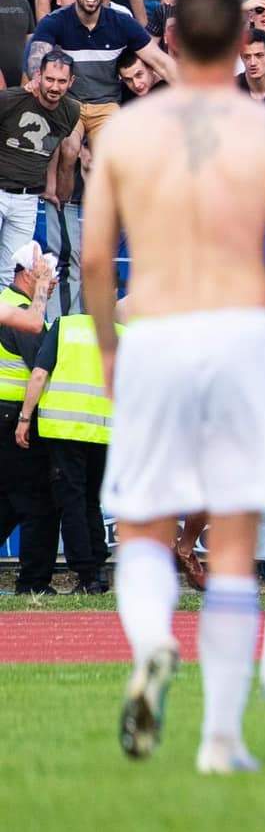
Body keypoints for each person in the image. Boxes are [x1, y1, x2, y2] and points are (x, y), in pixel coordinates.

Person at [84, 0, 265, 772]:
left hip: (153, 324)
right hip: (241, 331)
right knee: (232, 540)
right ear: (237, 43)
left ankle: (153, 643)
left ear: (170, 42)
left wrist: (110, 347)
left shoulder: (125, 133)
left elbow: (92, 258)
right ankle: (221, 742)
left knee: (146, 525)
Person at [17, 311, 113, 592]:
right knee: (91, 502)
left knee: (72, 502)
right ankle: (96, 571)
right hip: (104, 431)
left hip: (65, 430)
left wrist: (24, 418)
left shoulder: (66, 326)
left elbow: (38, 375)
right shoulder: (121, 333)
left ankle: (86, 575)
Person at [27, 0, 173, 144]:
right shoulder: (55, 21)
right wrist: (36, 78)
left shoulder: (122, 22)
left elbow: (161, 61)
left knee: (110, 148)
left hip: (107, 104)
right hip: (70, 103)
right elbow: (37, 57)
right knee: (68, 149)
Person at [0, 246, 58, 593]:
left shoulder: (12, 302)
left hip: (7, 416)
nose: (51, 283)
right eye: (45, 274)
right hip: (13, 419)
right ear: (25, 274)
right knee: (39, 501)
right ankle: (34, 583)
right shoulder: (19, 309)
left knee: (8, 501)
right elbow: (42, 362)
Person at [0, 52, 82, 268]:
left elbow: (52, 145)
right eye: (50, 79)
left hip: (28, 198)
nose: (55, 87)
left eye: (62, 81)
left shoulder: (71, 111)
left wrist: (51, 185)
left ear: (71, 82)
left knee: (10, 271)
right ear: (38, 75)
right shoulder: (11, 99)